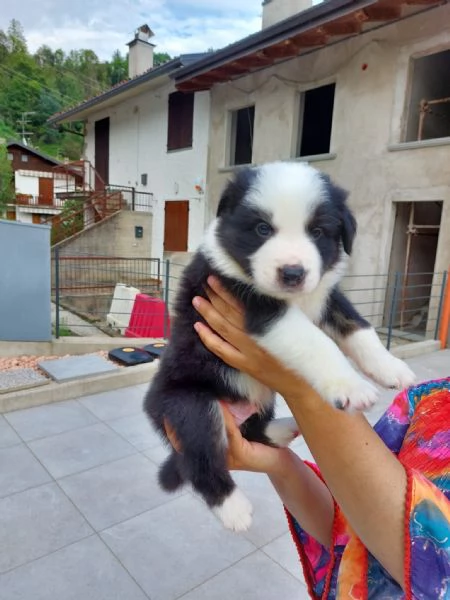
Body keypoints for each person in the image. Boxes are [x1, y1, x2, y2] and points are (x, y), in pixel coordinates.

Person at [166, 275, 449, 599]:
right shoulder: (429, 400)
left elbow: (436, 568)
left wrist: (306, 383)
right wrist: (277, 462)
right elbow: (351, 526)